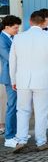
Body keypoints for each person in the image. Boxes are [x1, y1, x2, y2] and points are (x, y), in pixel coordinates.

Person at [10, 10, 48, 152]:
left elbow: (12, 62)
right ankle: (41, 142)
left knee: (22, 111)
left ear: (30, 22)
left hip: (22, 80)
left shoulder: (18, 38)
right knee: (41, 111)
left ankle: (21, 140)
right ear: (43, 22)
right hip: (43, 81)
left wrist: (13, 80)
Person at [1, 15, 21, 148]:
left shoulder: (12, 37)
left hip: (18, 76)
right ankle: (9, 137)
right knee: (12, 106)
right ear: (7, 27)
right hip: (10, 77)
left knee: (19, 106)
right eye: (15, 28)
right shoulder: (1, 39)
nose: (17, 30)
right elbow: (9, 57)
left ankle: (16, 133)